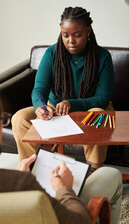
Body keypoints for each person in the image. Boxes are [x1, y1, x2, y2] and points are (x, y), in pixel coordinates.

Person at [0, 85, 122, 224]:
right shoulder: (21, 184)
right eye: (2, 121)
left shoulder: (11, 182)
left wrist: (17, 177)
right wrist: (64, 189)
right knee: (112, 174)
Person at [12, 6, 114, 170]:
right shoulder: (52, 53)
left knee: (98, 116)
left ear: (88, 31)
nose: (71, 41)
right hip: (55, 109)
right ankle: (32, 167)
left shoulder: (102, 57)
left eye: (77, 35)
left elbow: (102, 99)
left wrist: (71, 103)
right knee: (19, 118)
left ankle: (94, 169)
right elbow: (38, 91)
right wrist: (41, 107)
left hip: (90, 109)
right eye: (65, 35)